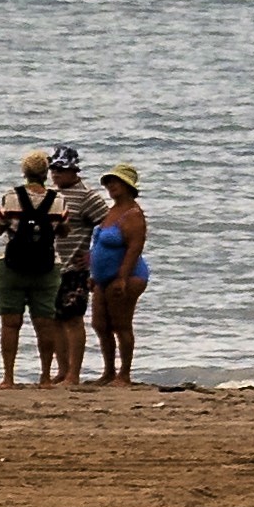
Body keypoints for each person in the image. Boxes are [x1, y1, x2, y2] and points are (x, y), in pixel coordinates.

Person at [0, 152, 57, 385]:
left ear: (24, 173)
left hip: (11, 265)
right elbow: (63, 229)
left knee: (10, 323)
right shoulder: (58, 200)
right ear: (46, 174)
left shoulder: (11, 197)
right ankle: (46, 376)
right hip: (46, 266)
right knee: (44, 322)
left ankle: (8, 377)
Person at [40, 143, 103, 386]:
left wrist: (92, 257)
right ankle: (62, 370)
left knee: (73, 320)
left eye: (60, 169)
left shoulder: (87, 196)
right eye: (52, 169)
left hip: (76, 269)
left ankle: (74, 374)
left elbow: (107, 227)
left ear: (74, 171)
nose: (55, 174)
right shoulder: (51, 195)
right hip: (53, 266)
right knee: (54, 319)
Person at [88, 164, 150, 383]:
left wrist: (122, 277)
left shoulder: (133, 214)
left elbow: (135, 248)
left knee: (121, 324)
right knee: (100, 324)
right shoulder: (112, 211)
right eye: (108, 183)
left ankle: (124, 373)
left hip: (129, 276)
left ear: (128, 186)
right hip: (103, 278)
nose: (111, 186)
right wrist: (94, 274)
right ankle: (108, 371)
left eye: (116, 182)